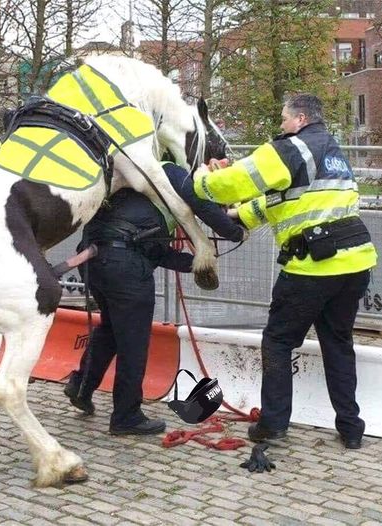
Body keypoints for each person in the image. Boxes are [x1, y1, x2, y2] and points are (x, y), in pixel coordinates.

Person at [193, 94, 377, 449]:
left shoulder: (292, 148)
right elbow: (288, 200)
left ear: (300, 119)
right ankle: (352, 428)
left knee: (277, 341)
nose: (280, 125)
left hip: (312, 267)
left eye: (283, 119)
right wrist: (240, 215)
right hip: (355, 264)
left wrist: (202, 180)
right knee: (338, 343)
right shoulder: (331, 152)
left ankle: (274, 424)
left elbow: (233, 183)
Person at [64, 162, 246, 436]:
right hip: (124, 265)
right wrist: (235, 232)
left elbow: (155, 251)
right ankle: (126, 416)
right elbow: (204, 206)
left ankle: (81, 386)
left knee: (111, 330)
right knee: (133, 344)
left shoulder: (139, 185)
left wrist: (196, 263)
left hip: (94, 260)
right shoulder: (170, 171)